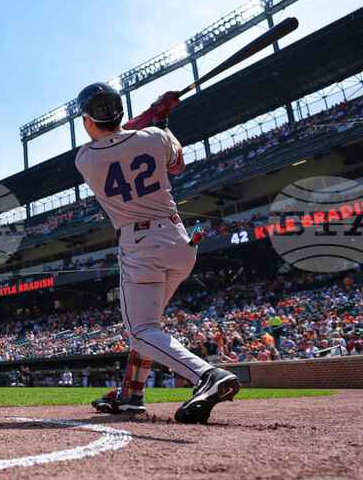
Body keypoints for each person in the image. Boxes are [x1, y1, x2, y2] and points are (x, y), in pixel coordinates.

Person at [74, 82, 240, 423]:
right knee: (148, 328)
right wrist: (161, 121)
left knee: (141, 330)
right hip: (179, 242)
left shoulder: (85, 160)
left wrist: (151, 116)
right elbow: (176, 162)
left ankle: (207, 375)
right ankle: (132, 394)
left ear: (88, 120)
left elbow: (116, 139)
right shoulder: (154, 137)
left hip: (140, 248)